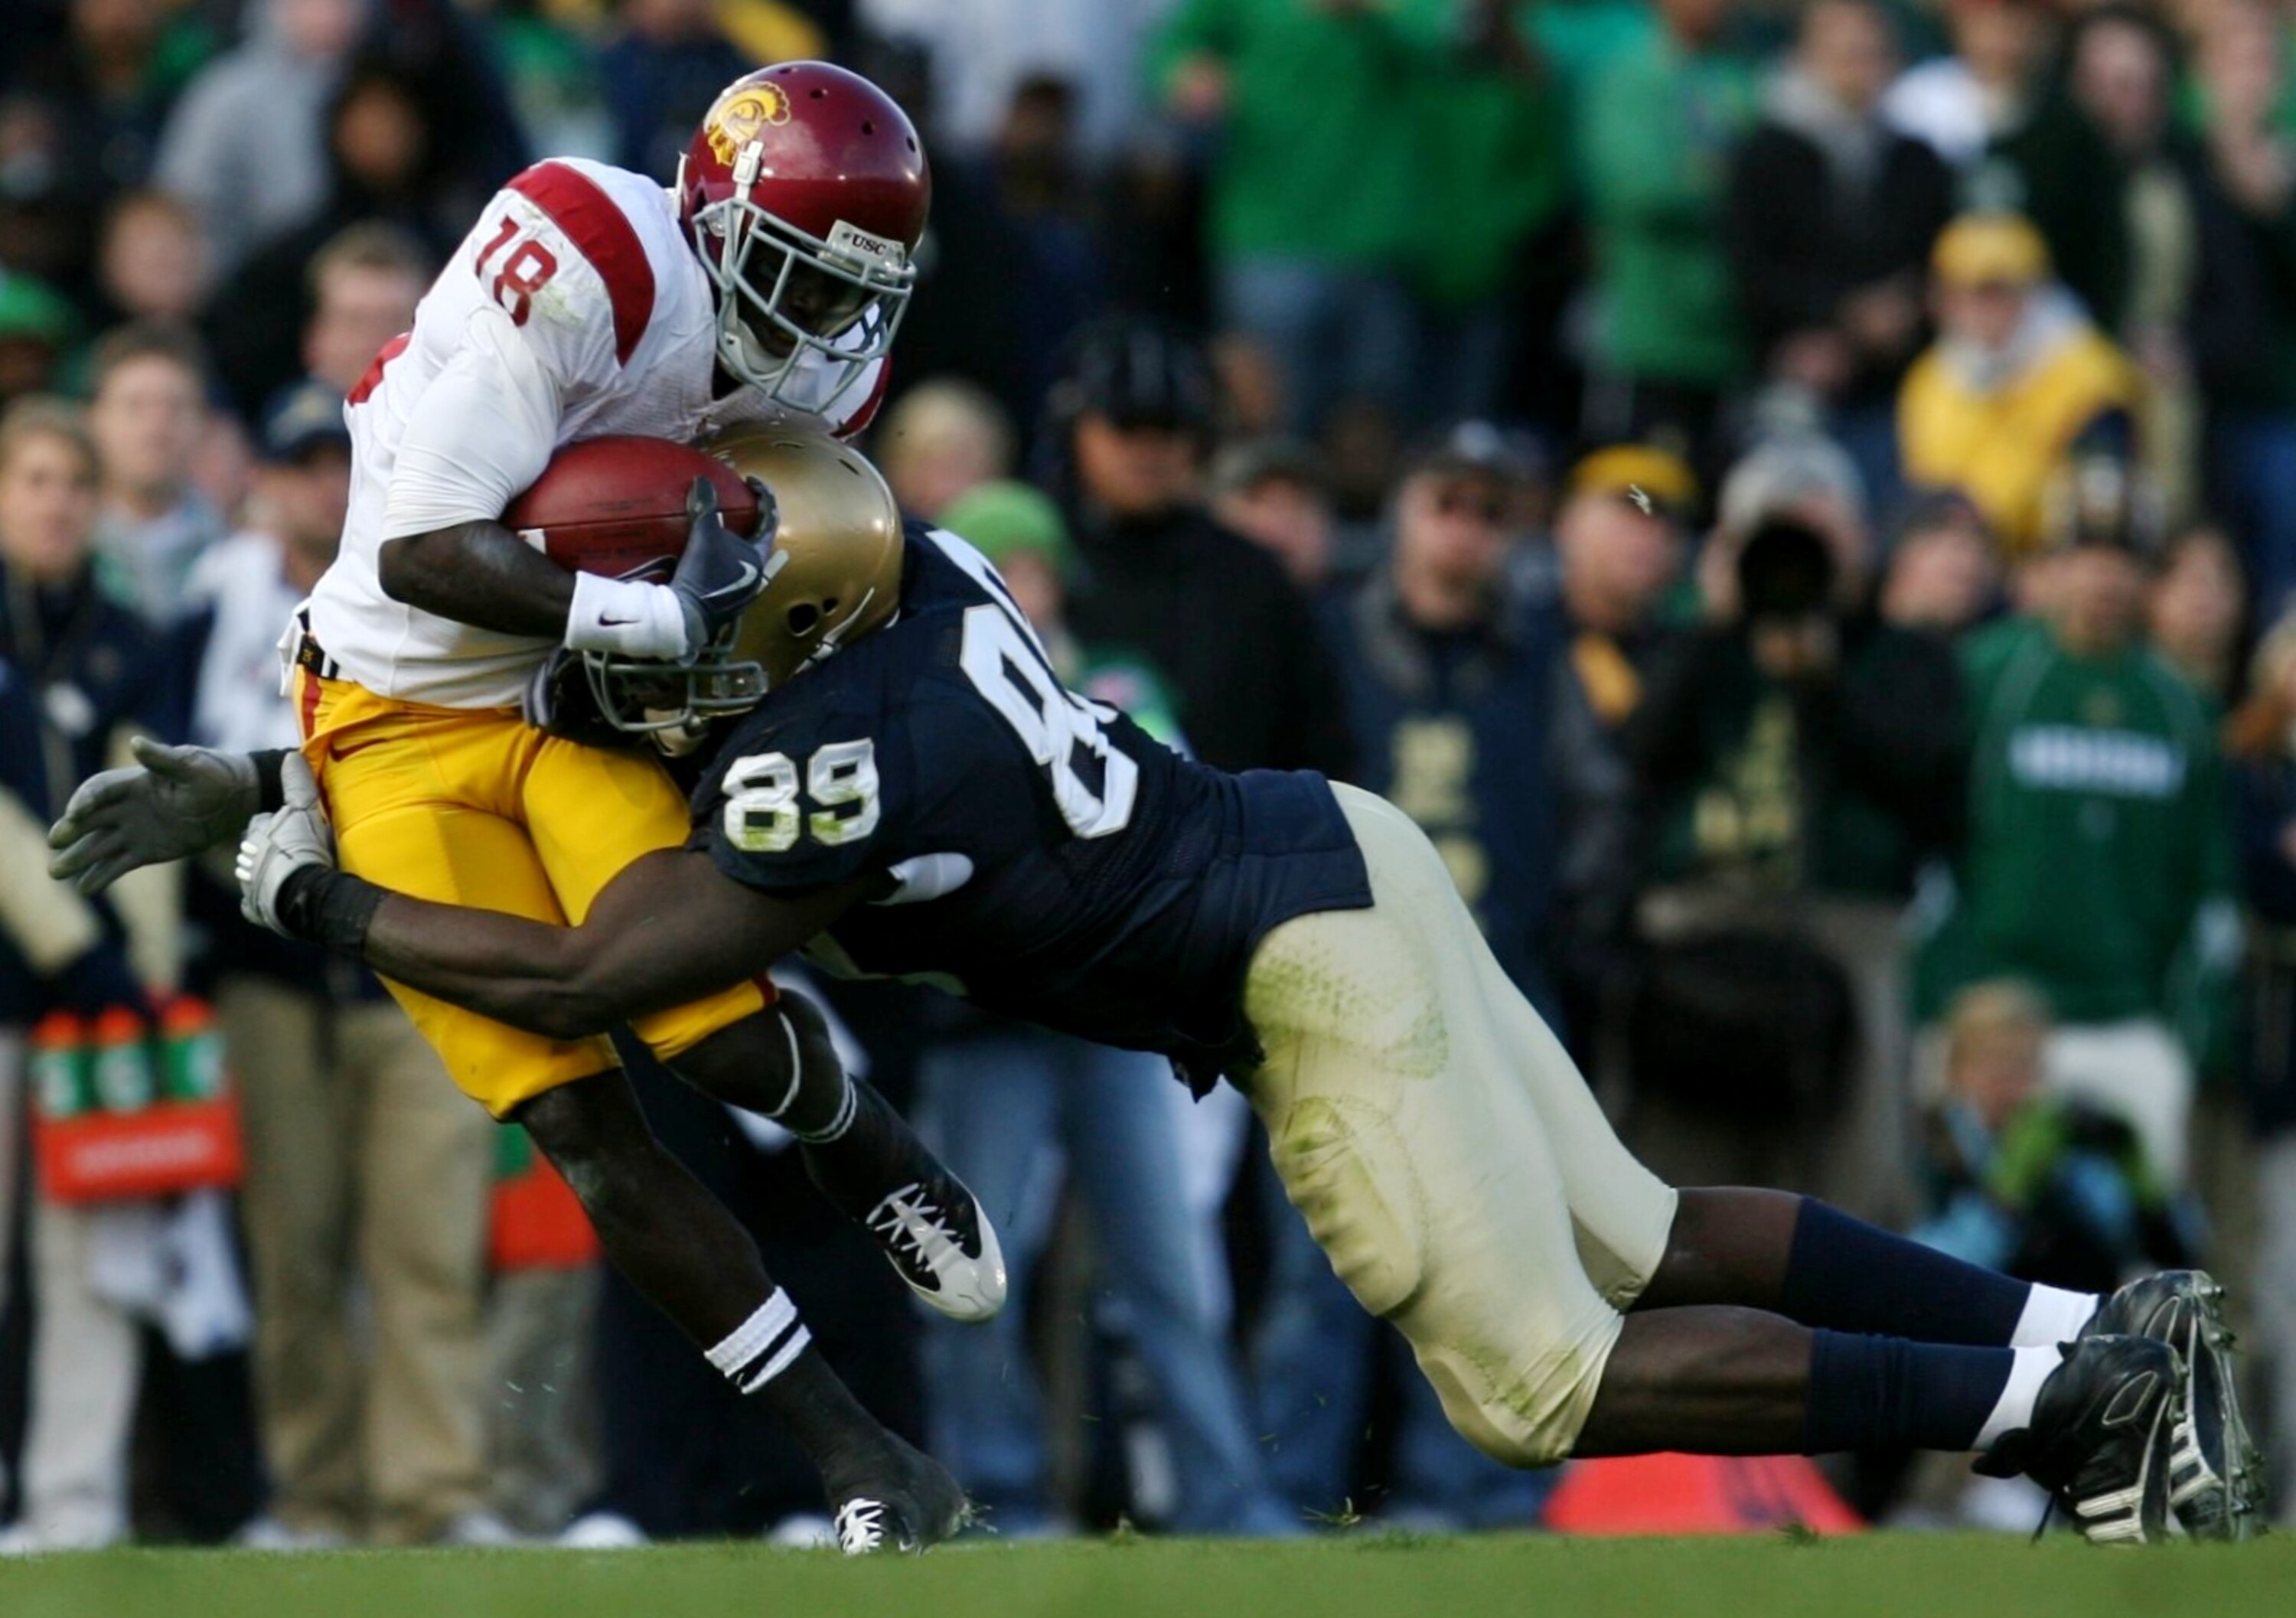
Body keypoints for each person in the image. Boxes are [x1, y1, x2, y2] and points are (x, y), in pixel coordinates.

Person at [58, 430, 2265, 1547]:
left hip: (1296, 960)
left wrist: (307, 890)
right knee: (1652, 1226)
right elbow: (624, 692)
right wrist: (291, 761)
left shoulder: (840, 752)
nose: (649, 651)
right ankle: (2104, 1337)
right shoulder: (885, 574)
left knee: (1535, 1376)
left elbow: (590, 962)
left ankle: (2062, 1419)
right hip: (1324, 850)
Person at [66, 63, 1007, 1552]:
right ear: (718, 213)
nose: (826, 323)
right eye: (801, 275)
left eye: (857, 290)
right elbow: (427, 555)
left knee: (717, 1022)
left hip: (556, 699)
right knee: (582, 1124)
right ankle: (859, 1450)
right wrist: (633, 618)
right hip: (387, 703)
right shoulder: (589, 252)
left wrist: (704, 636)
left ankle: (861, 1140)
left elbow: (762, 568)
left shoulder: (826, 365)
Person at [158, 379, 499, 1546]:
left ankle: (434, 1497)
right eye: (302, 463)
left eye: (336, 463)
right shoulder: (212, 612)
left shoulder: (427, 598)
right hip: (270, 979)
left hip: (417, 964)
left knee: (429, 1250)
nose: (322, 484)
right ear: (264, 480)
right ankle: (313, 1496)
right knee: (292, 1254)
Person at [914, 479, 1290, 1535]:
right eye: (1002, 566)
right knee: (971, 1270)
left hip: (1111, 1020)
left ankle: (1228, 1496)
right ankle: (999, 1494)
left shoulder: (1115, 683)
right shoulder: (933, 697)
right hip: (990, 1024)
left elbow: (1167, 817)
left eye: (1033, 564)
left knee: (1169, 1265)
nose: (1022, 587)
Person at [1917, 450, 2238, 1192]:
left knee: (2135, 1275)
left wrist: (2178, 1031)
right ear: (2052, 563)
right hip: (1991, 1010)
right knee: (1962, 1256)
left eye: (2125, 556)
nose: (2104, 575)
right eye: (2085, 551)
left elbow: (2207, 886)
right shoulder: (1988, 673)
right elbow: (1935, 852)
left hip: (2126, 1020)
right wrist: (1947, 1005)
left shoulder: (2182, 705)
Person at [1044, 317, 1354, 780]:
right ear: (1074, 431)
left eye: (1169, 427)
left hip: (1232, 843)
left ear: (1200, 441)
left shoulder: (1254, 579)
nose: (1148, 448)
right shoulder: (1031, 563)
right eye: (1125, 424)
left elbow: (1320, 752)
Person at [1898, 214, 2141, 556]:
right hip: (1963, 552)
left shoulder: (2091, 375)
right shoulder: (1928, 380)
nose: (1980, 309)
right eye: (1962, 292)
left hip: (2054, 557)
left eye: (1995, 291)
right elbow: (1925, 489)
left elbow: (2101, 497)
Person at [84, 319, 226, 620]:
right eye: (135, 406)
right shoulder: (65, 546)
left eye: (175, 406)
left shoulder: (239, 552)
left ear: (204, 424)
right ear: (93, 420)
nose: (156, 426)